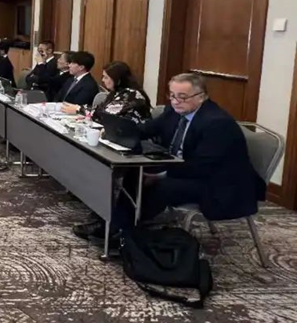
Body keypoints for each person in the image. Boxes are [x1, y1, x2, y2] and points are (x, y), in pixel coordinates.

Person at [75, 73, 266, 245]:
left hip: (219, 183)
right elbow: (148, 129)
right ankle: (115, 224)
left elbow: (203, 166)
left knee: (162, 186)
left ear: (202, 97)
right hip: (185, 167)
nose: (175, 102)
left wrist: (161, 175)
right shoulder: (174, 111)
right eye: (172, 95)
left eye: (182, 97)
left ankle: (120, 231)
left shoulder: (217, 123)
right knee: (133, 172)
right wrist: (117, 131)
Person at [63, 61, 151, 123]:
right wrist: (80, 109)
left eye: (106, 77)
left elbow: (105, 115)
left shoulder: (131, 94)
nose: (103, 80)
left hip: (135, 138)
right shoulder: (116, 92)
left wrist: (78, 109)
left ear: (118, 79)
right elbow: (100, 109)